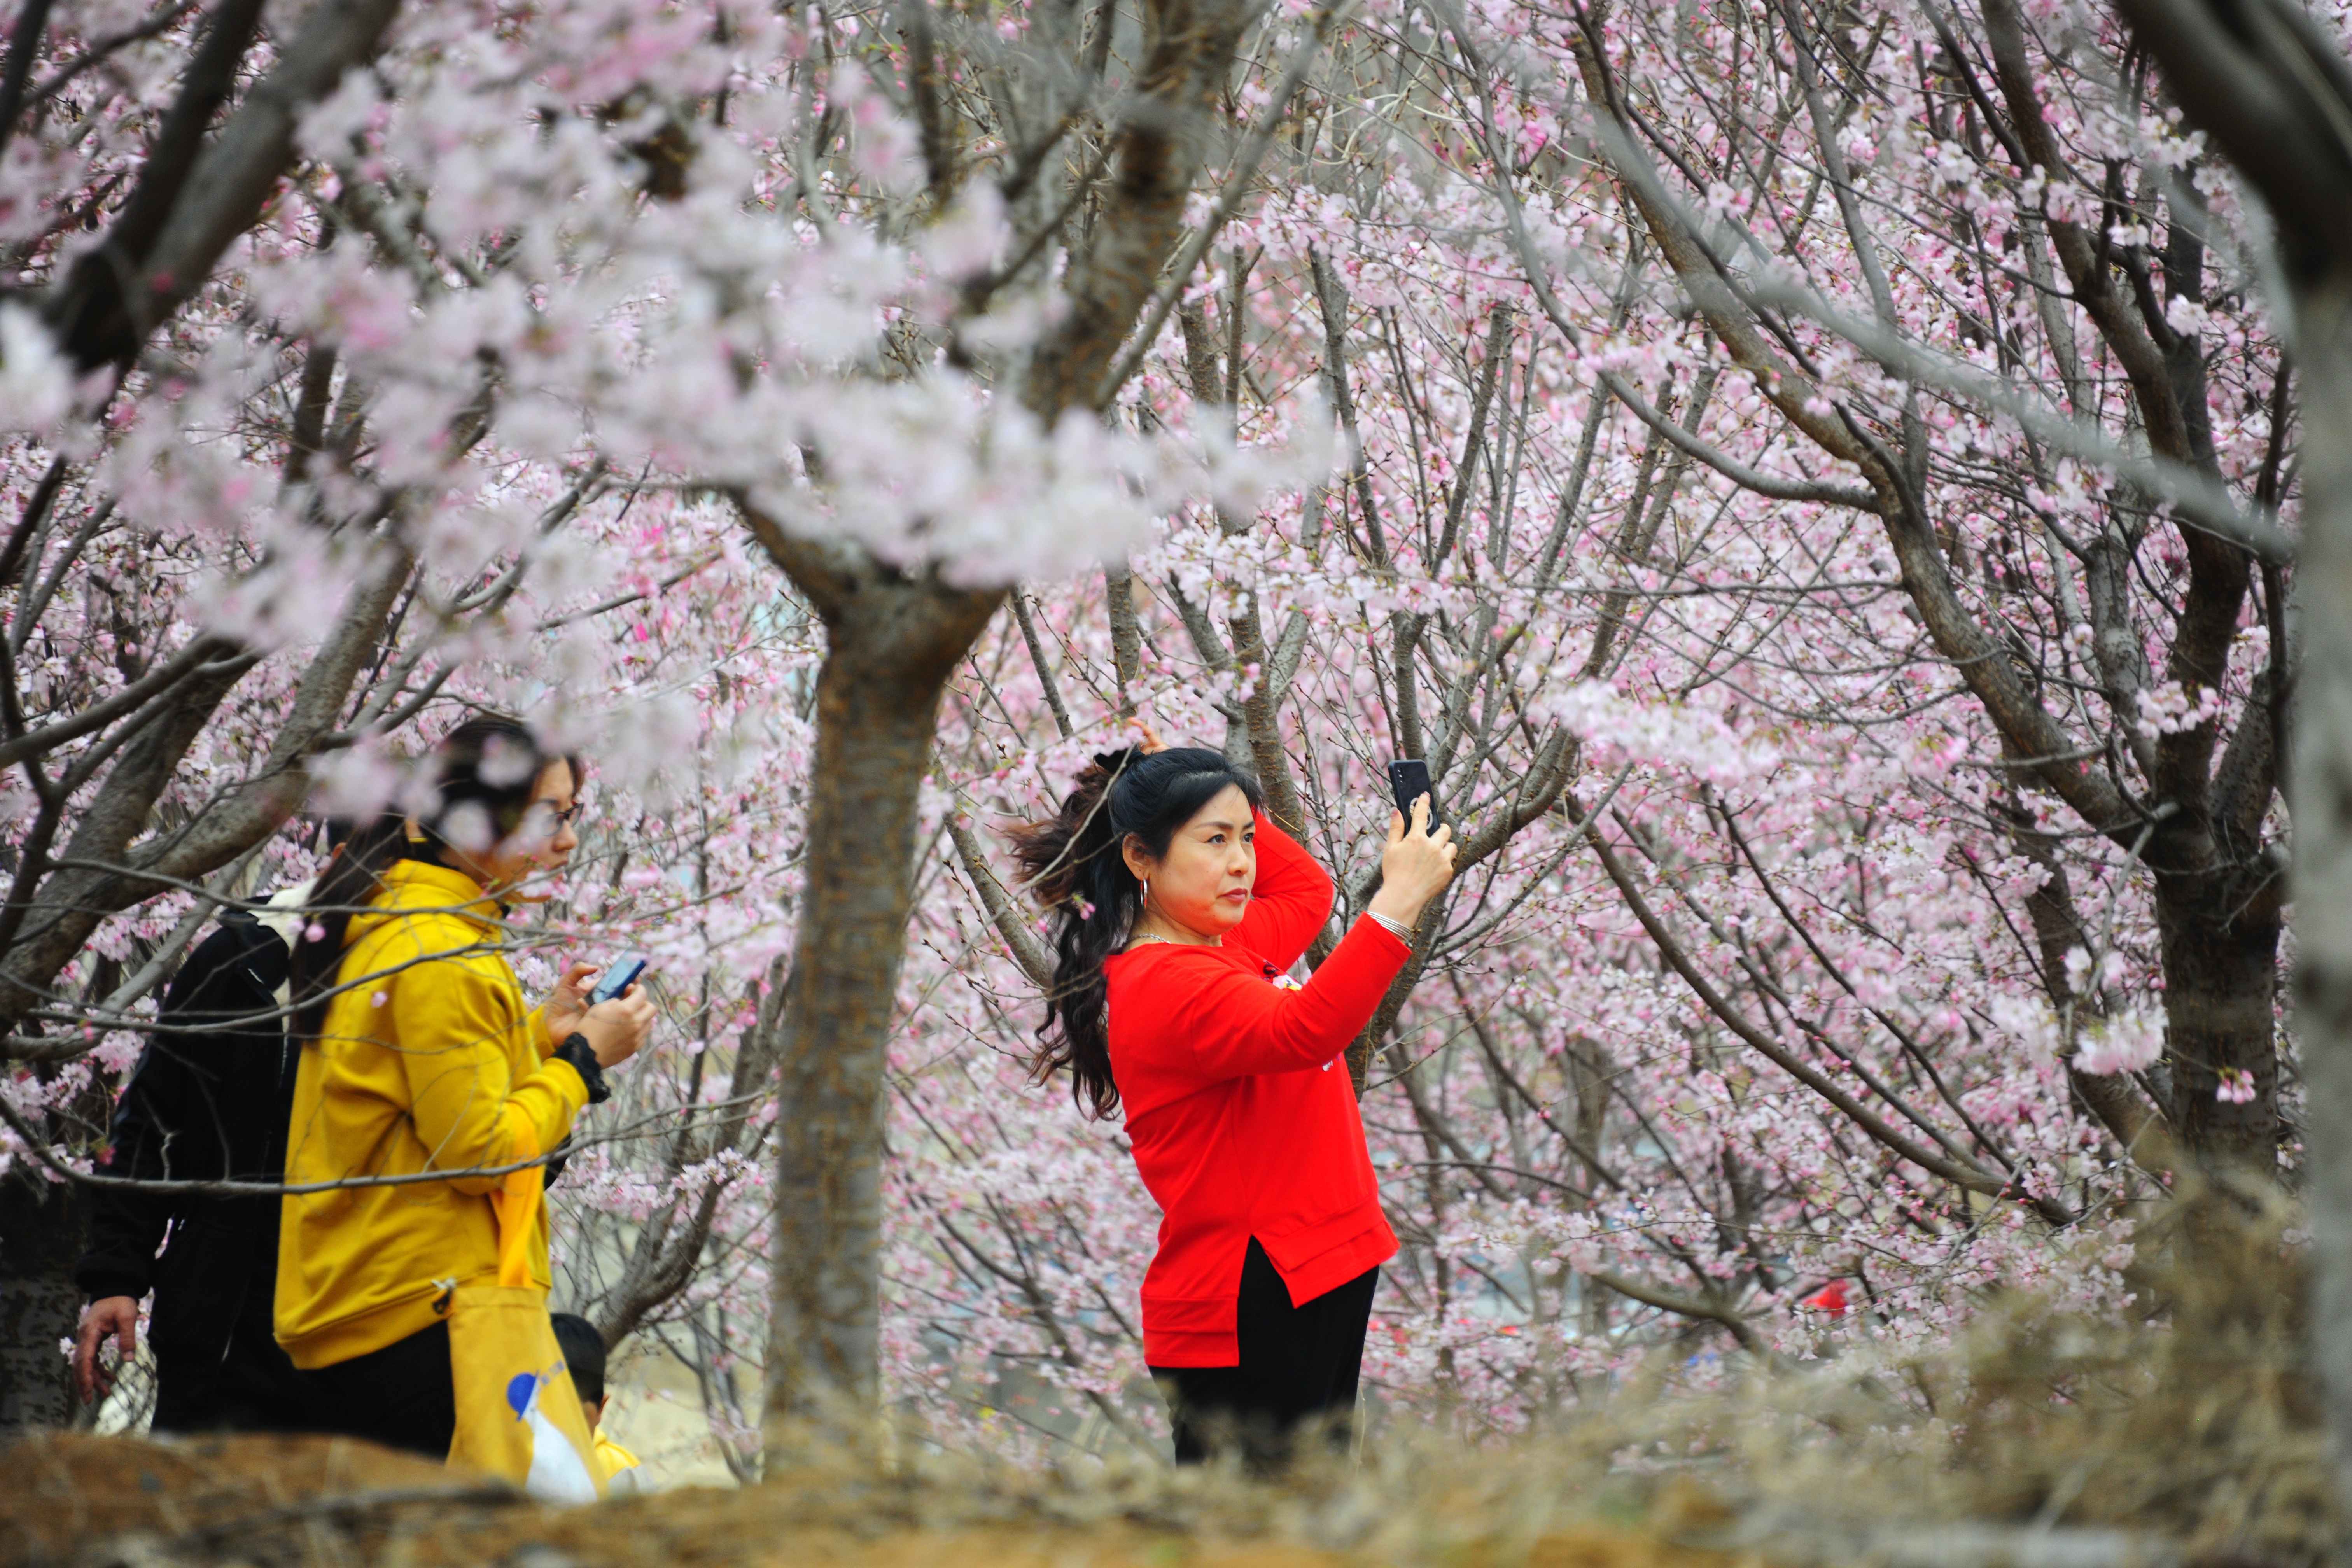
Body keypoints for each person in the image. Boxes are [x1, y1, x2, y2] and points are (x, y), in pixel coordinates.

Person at [1009, 741, 1456, 1468]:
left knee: (1306, 1523)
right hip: (1251, 1297)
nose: (1242, 861)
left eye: (1246, 838)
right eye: (1214, 841)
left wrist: (1209, 790)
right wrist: (1397, 901)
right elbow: (1306, 1028)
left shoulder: (1225, 946)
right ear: (1139, 858)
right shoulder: (1166, 983)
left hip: (1316, 1268)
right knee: (1256, 1532)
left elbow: (1305, 892)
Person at [273, 716, 656, 1459]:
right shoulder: (439, 950)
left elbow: (422, 1097)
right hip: (419, 1313)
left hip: (384, 1302)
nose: (567, 843)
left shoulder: (408, 923)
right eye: (549, 817)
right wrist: (580, 1062)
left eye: (570, 817)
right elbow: (478, 1152)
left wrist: (532, 1038)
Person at [70, 880, 327, 1432]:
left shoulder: (450, 971)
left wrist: (559, 1062)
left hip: (378, 1339)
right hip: (229, 1329)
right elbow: (152, 1120)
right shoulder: (246, 960)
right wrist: (118, 1273)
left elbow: (486, 1162)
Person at [550, 1311, 644, 1494]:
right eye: (548, 1419)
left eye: (575, 1420)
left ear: (601, 1409)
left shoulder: (623, 1475)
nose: (559, 1435)